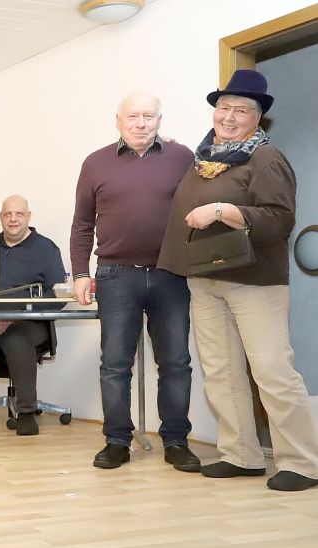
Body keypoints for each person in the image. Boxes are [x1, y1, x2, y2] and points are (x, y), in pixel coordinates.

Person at [158, 70, 318, 492]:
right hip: (205, 277)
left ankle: (302, 462)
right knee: (222, 371)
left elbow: (280, 218)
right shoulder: (204, 157)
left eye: (241, 110)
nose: (229, 117)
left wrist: (224, 211)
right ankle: (241, 455)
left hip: (254, 281)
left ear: (258, 117)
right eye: (224, 107)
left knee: (271, 370)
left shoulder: (266, 158)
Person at [70, 91, 201, 472]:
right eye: (133, 117)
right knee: (114, 364)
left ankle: (176, 441)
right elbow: (82, 224)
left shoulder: (182, 157)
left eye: (148, 116)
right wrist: (81, 273)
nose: (141, 123)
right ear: (118, 120)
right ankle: (116, 441)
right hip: (115, 275)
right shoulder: (95, 163)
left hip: (171, 274)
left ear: (160, 119)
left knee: (176, 362)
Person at [0, 195, 67, 436]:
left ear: (28, 217)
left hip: (28, 323)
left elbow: (60, 295)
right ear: (0, 217)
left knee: (16, 337)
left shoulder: (46, 248)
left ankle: (26, 412)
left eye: (19, 214)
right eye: (8, 214)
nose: (13, 219)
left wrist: (18, 314)